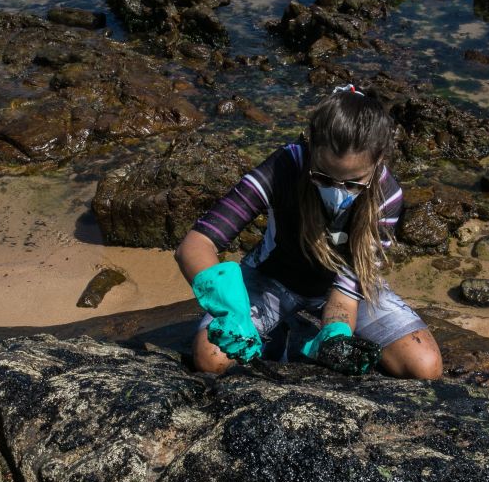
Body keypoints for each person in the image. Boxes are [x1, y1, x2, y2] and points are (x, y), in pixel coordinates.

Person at [174, 85, 442, 379]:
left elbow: (345, 293)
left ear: (378, 160)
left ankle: (302, 343)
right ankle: (283, 336)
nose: (337, 192)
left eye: (352, 183)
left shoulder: (387, 196)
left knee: (424, 366)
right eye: (324, 177)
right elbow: (196, 244)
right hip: (273, 279)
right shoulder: (282, 168)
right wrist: (228, 308)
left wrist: (334, 334)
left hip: (342, 289)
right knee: (212, 357)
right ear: (312, 146)